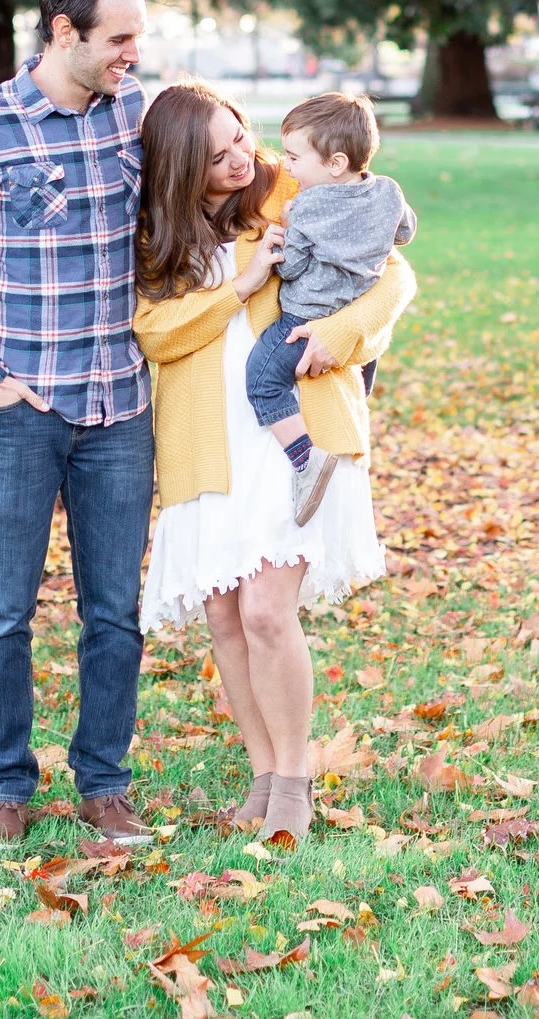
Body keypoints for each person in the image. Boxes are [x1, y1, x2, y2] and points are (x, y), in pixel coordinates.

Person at [133, 82, 413, 841]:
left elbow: (395, 276)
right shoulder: (158, 234)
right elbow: (157, 334)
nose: (239, 156)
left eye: (241, 136)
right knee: (226, 615)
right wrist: (242, 286)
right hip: (206, 439)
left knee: (265, 607)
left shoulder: (292, 187)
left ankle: (294, 777)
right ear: (178, 161)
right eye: (216, 149)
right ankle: (262, 770)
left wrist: (345, 333)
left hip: (293, 434)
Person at [0, 0, 156, 848]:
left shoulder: (138, 114)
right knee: (4, 614)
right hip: (20, 415)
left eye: (137, 37)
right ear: (65, 33)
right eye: (119, 38)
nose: (132, 54)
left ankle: (104, 784)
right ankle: (5, 788)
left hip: (120, 409)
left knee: (114, 614)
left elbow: (227, 176)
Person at [245, 92, 414, 524]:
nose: (287, 166)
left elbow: (294, 266)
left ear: (335, 163)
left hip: (305, 318)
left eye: (295, 157)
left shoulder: (305, 206)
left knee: (263, 382)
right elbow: (405, 232)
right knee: (358, 381)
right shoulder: (389, 191)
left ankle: (305, 459)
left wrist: (286, 222)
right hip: (358, 323)